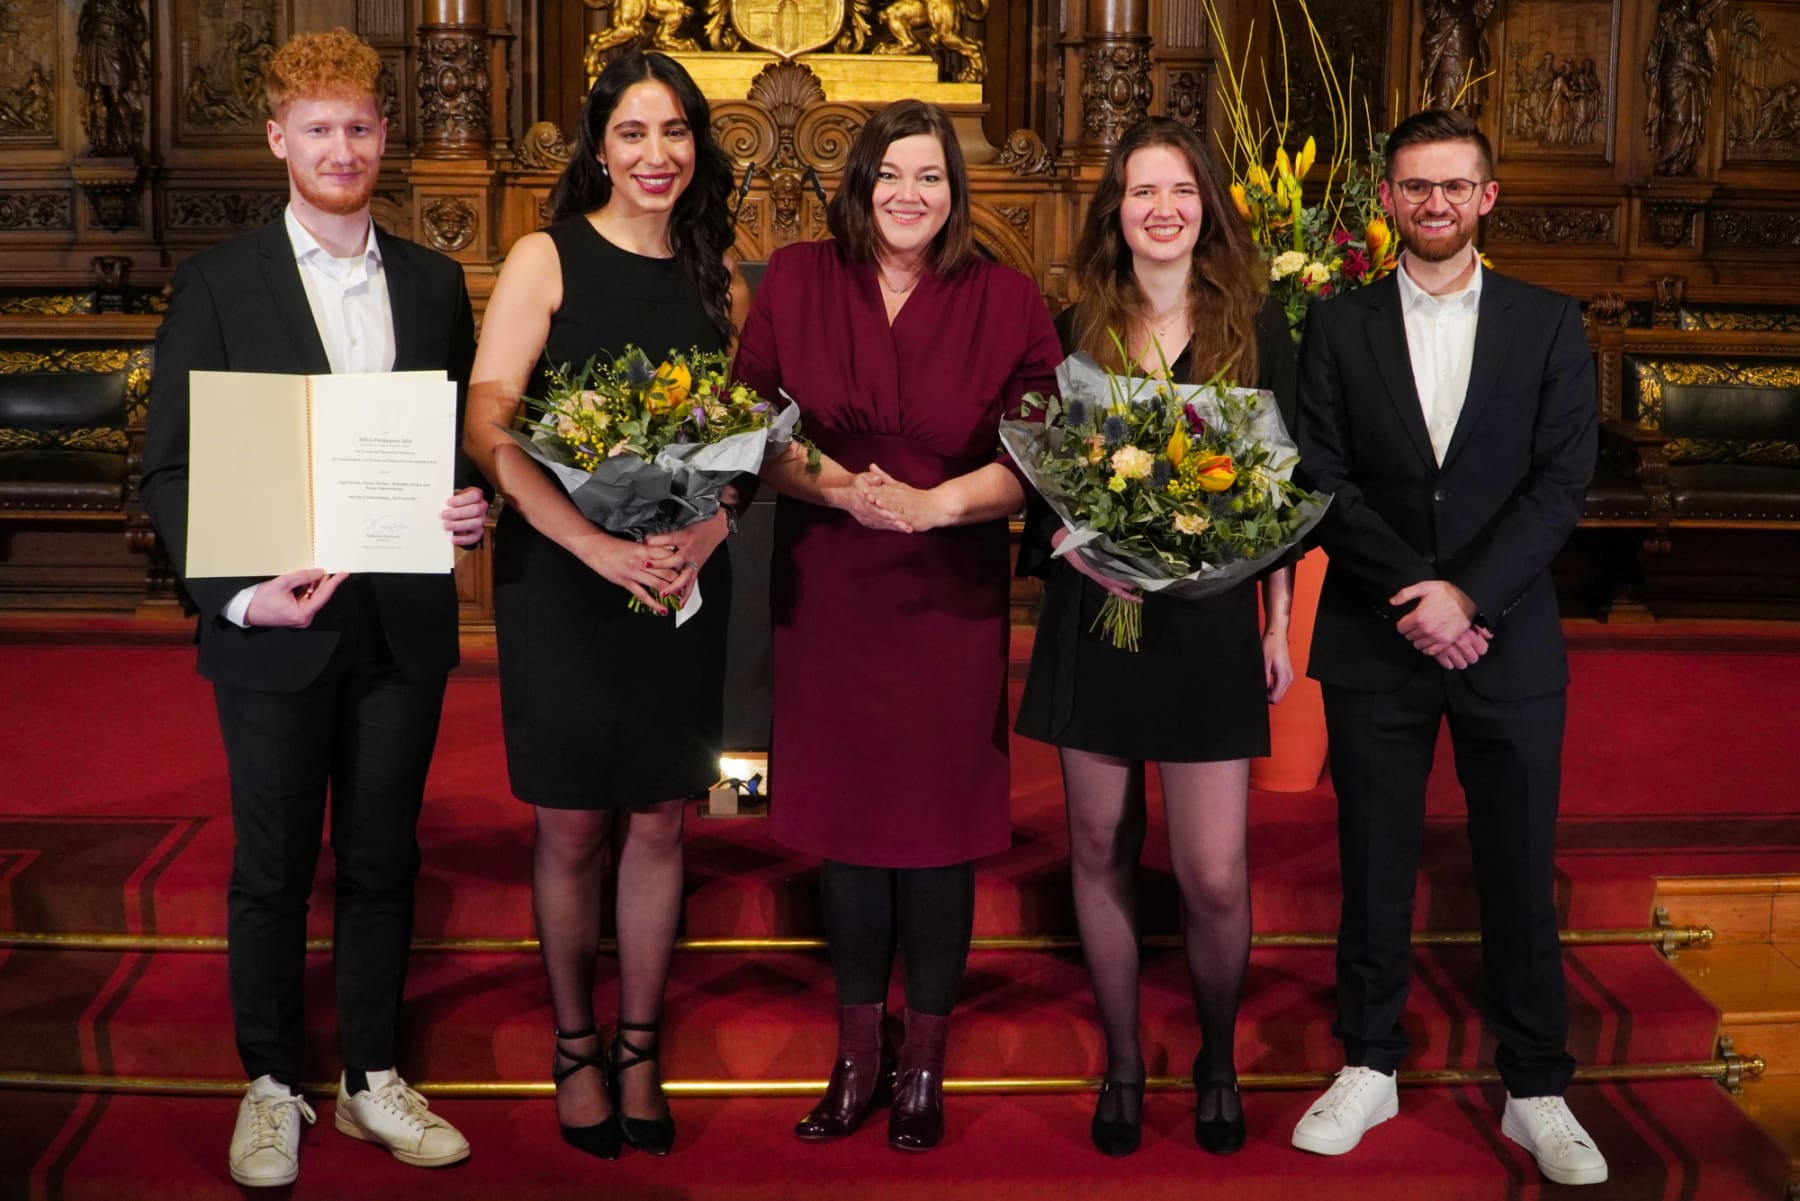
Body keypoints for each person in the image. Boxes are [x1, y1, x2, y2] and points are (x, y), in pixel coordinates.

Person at [139, 28, 485, 1190]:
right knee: (277, 864)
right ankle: (273, 1082)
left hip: (401, 626)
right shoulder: (219, 282)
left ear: (385, 136)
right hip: (271, 627)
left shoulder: (435, 285)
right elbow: (171, 468)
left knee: (384, 855)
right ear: (280, 138)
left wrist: (466, 511)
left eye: (360, 126)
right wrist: (238, 597)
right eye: (318, 128)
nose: (342, 147)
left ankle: (372, 1074)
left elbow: (445, 456)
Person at [733, 98, 1061, 1153]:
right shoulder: (793, 278)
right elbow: (744, 426)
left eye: (929, 176)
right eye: (889, 175)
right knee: (847, 832)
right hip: (829, 586)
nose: (908, 194)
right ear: (858, 185)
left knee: (937, 834)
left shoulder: (1008, 298)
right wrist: (835, 490)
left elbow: (1042, 458)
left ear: (954, 192)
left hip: (948, 593)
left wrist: (938, 504)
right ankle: (856, 1055)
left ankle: (923, 1060)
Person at [1288, 108, 1606, 1186]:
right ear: (1386, 200)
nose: (1433, 203)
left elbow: (1561, 485)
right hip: (1375, 638)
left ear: (1486, 198)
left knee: (1517, 867)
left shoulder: (1551, 323)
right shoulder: (1335, 327)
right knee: (1373, 864)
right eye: (1414, 187)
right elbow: (1318, 478)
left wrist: (1468, 597)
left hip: (1507, 640)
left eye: (1453, 186)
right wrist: (1413, 597)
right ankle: (1370, 1063)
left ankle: (1537, 1085)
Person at [462, 50, 748, 1161]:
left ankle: (639, 1044)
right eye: (632, 133)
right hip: (566, 579)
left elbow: (743, 447)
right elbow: (489, 420)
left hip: (679, 580)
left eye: (673, 131)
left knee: (664, 815)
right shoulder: (547, 257)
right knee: (576, 820)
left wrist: (707, 532)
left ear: (696, 144)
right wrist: (586, 541)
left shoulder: (723, 269)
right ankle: (574, 1044)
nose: (655, 154)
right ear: (597, 145)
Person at [1013, 116, 1296, 1158]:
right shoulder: (1074, 323)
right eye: (1141, 192)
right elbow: (1042, 476)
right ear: (1115, 210)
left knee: (1215, 870)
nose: (1162, 209)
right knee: (1098, 845)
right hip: (1097, 614)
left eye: (1180, 191)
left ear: (1205, 205)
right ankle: (1126, 1059)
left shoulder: (1258, 328)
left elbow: (1284, 490)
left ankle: (1216, 1055)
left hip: (1211, 621)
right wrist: (1070, 546)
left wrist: (1276, 623)